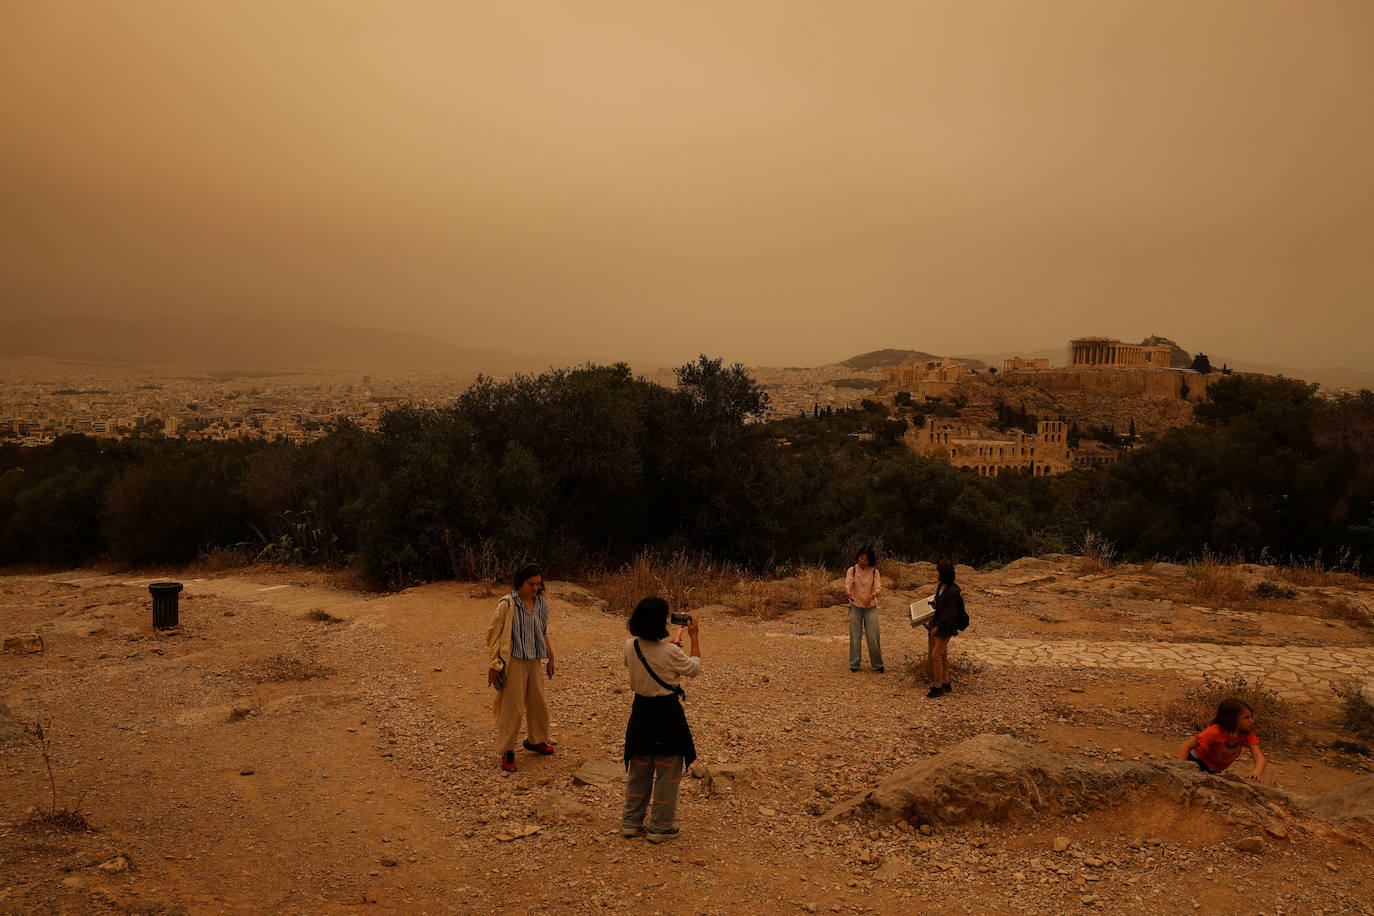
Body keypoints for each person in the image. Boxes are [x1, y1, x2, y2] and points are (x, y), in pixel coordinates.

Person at [622, 597, 701, 843]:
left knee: (639, 769)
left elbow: (651, 654)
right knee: (667, 773)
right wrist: (694, 637)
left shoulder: (630, 645)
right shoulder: (670, 653)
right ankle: (660, 826)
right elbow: (694, 667)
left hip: (640, 713)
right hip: (667, 715)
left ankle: (631, 822)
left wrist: (670, 647)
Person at [487, 564, 557, 773]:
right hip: (514, 661)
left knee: (538, 703)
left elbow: (542, 631)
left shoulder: (541, 603)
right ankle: (507, 750)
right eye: (531, 584)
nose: (535, 588)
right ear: (521, 582)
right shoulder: (507, 604)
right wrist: (494, 665)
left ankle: (536, 740)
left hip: (534, 659)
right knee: (512, 708)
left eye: (538, 584)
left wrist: (551, 657)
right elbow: (494, 636)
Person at [1177, 698, 1266, 781]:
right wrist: (1180, 768)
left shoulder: (1246, 734)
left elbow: (1259, 756)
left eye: (1251, 716)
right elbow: (1186, 745)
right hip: (1195, 761)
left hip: (1214, 770)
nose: (1252, 721)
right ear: (1232, 719)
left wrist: (1257, 771)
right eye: (1246, 718)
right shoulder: (1214, 732)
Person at [925, 559, 964, 699]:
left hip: (946, 627)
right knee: (942, 654)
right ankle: (946, 682)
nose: (937, 575)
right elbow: (941, 605)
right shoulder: (941, 586)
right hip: (940, 624)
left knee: (935, 655)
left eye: (939, 572)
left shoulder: (953, 592)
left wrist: (937, 627)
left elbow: (950, 614)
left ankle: (938, 686)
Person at [845, 547, 884, 673]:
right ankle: (854, 663)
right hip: (855, 606)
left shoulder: (874, 572)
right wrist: (849, 593)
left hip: (870, 607)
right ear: (858, 557)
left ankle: (878, 664)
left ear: (870, 561)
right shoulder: (852, 570)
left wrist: (872, 595)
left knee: (873, 636)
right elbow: (848, 583)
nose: (863, 561)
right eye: (861, 558)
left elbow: (878, 587)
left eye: (866, 559)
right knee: (855, 636)